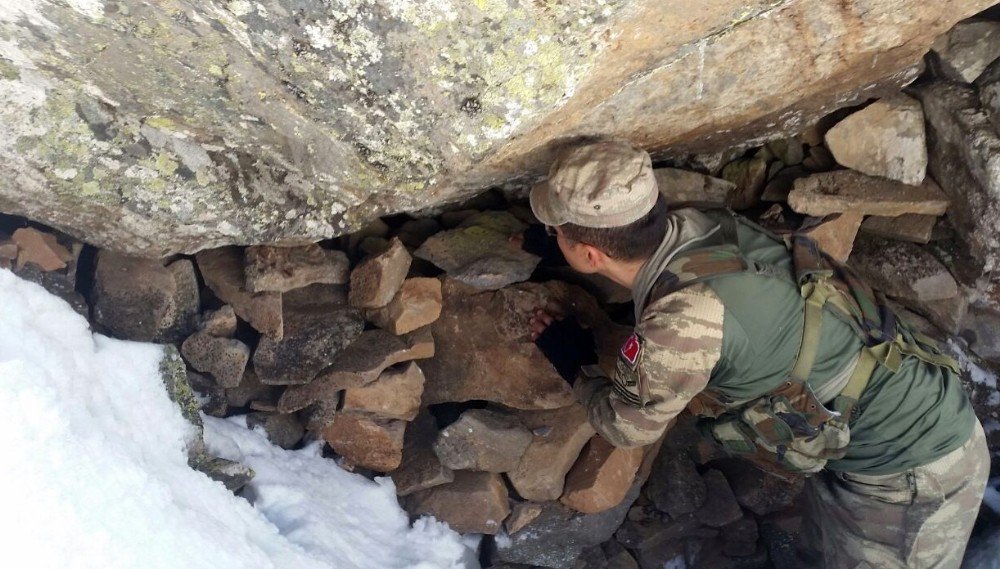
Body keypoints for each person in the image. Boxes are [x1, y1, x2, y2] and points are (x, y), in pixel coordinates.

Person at [524, 140, 990, 568]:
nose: (550, 234)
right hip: (902, 404)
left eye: (557, 232)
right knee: (828, 548)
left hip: (916, 474)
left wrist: (577, 363)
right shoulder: (706, 224)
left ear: (589, 255)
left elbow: (625, 426)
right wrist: (571, 250)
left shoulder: (680, 327)